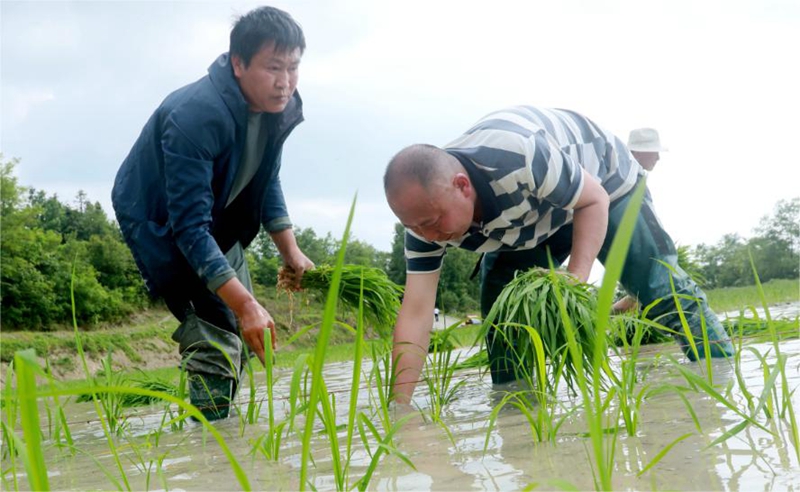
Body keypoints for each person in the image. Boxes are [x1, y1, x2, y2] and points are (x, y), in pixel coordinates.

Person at [383, 106, 734, 403]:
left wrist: (574, 282)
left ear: (461, 186)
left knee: (658, 287)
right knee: (505, 320)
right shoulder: (423, 226)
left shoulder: (515, 154)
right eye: (415, 227)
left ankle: (721, 382)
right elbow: (416, 314)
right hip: (526, 221)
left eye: (433, 222)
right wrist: (400, 410)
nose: (429, 235)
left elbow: (593, 199)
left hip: (604, 186)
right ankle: (516, 410)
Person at [112, 6, 313, 420]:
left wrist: (290, 250)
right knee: (216, 334)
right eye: (274, 68)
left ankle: (218, 445)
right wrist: (246, 305)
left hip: (219, 224)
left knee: (239, 338)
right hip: (164, 226)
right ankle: (207, 449)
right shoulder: (196, 115)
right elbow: (187, 228)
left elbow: (266, 179)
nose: (285, 82)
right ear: (238, 63)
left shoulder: (280, 108)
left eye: (293, 68)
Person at [612, 126, 669, 313]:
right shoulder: (630, 180)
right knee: (649, 292)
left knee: (638, 295)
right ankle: (599, 317)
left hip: (632, 249)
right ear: (637, 152)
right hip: (635, 249)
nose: (658, 158)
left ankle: (601, 317)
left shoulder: (628, 175)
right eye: (654, 152)